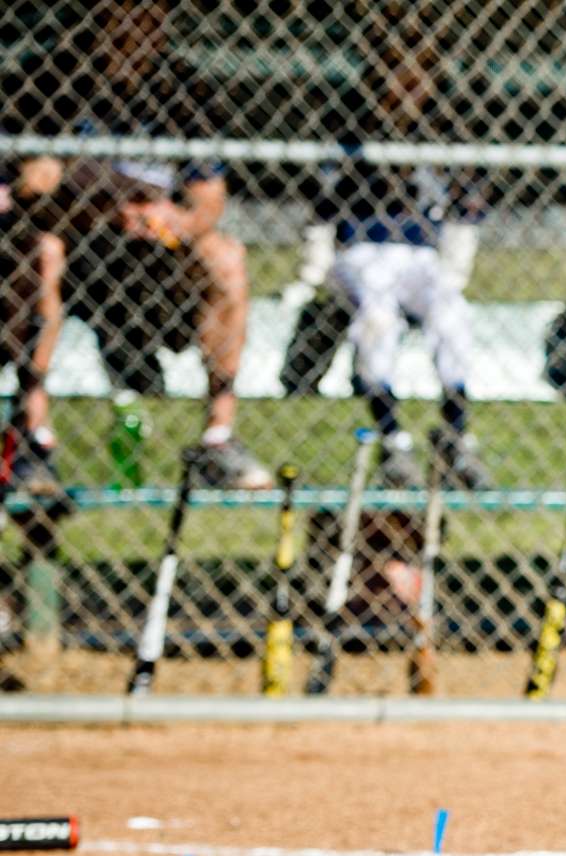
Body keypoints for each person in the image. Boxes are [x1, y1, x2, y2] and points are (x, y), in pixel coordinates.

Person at [2, 0, 271, 490]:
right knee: (42, 251)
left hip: (154, 250)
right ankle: (33, 436)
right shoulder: (50, 78)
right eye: (123, 13)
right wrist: (101, 203)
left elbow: (209, 200)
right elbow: (31, 186)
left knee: (226, 258)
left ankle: (218, 437)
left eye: (151, 14)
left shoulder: (182, 88)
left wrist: (176, 218)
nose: (139, 26)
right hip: (75, 238)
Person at [295, 18, 491, 490]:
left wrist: (456, 268)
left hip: (421, 253)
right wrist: (312, 272)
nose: (407, 83)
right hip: (361, 249)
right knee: (378, 312)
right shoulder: (350, 126)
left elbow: (468, 208)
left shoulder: (444, 131)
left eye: (419, 72)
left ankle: (457, 433)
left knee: (450, 311)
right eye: (395, 71)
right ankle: (393, 439)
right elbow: (320, 209)